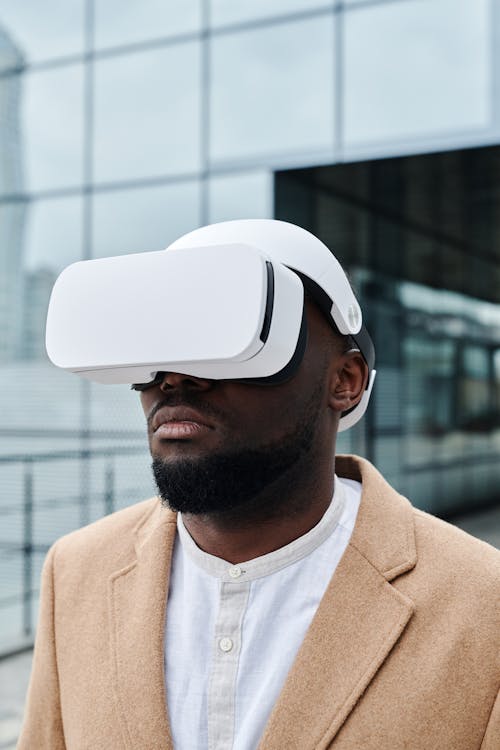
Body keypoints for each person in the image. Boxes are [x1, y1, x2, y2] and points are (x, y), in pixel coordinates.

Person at [18, 220, 499, 749]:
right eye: (161, 347)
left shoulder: (482, 601)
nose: (174, 378)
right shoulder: (76, 570)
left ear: (345, 380)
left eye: (228, 339)